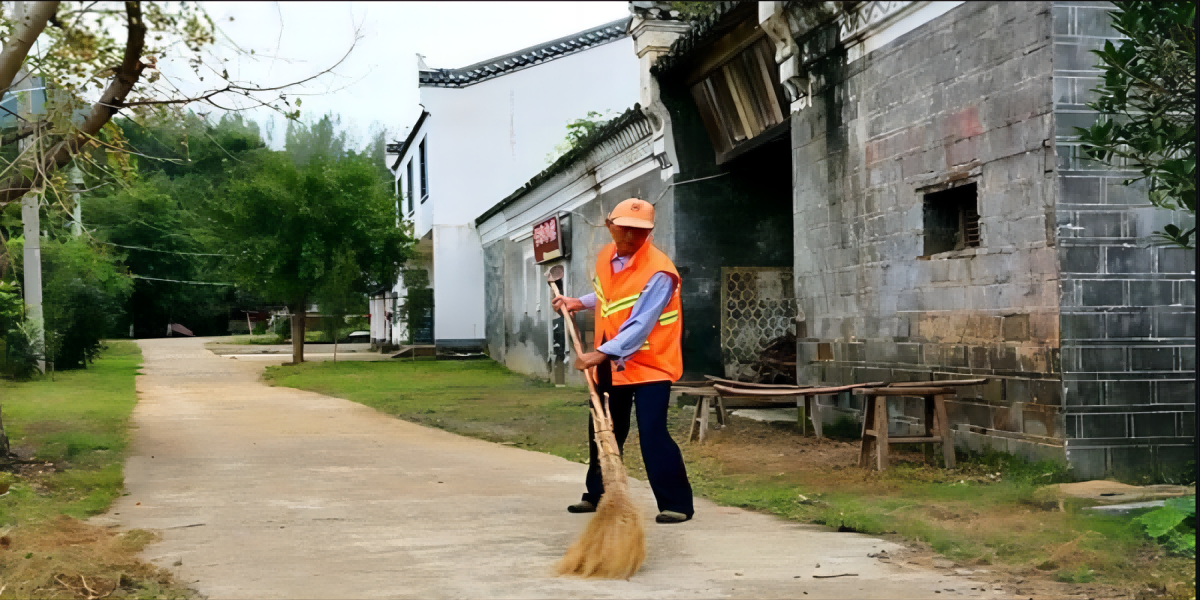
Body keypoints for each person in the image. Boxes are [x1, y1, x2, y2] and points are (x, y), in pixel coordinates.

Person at [551, 197, 694, 524]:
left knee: (652, 431)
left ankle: (676, 504)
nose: (631, 237)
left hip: (650, 364)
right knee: (602, 429)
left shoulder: (660, 271)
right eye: (624, 229)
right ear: (610, 226)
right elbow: (607, 295)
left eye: (639, 232)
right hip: (611, 362)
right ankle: (598, 494)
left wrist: (602, 352)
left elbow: (641, 323)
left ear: (650, 233)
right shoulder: (605, 257)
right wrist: (577, 302)